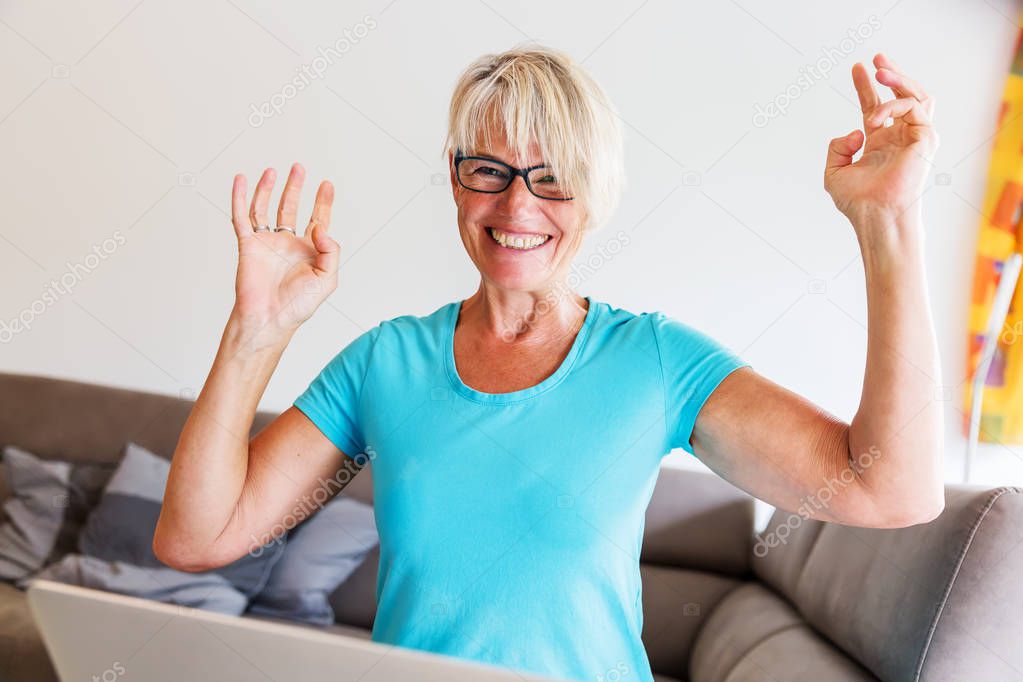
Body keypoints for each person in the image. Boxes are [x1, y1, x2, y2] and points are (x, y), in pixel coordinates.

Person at [153, 44, 945, 682]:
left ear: (596, 194)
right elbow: (198, 539)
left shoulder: (655, 362)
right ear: (457, 178)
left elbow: (889, 489)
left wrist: (885, 223)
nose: (516, 206)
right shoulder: (385, 361)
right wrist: (256, 328)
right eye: (488, 170)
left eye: (553, 177)